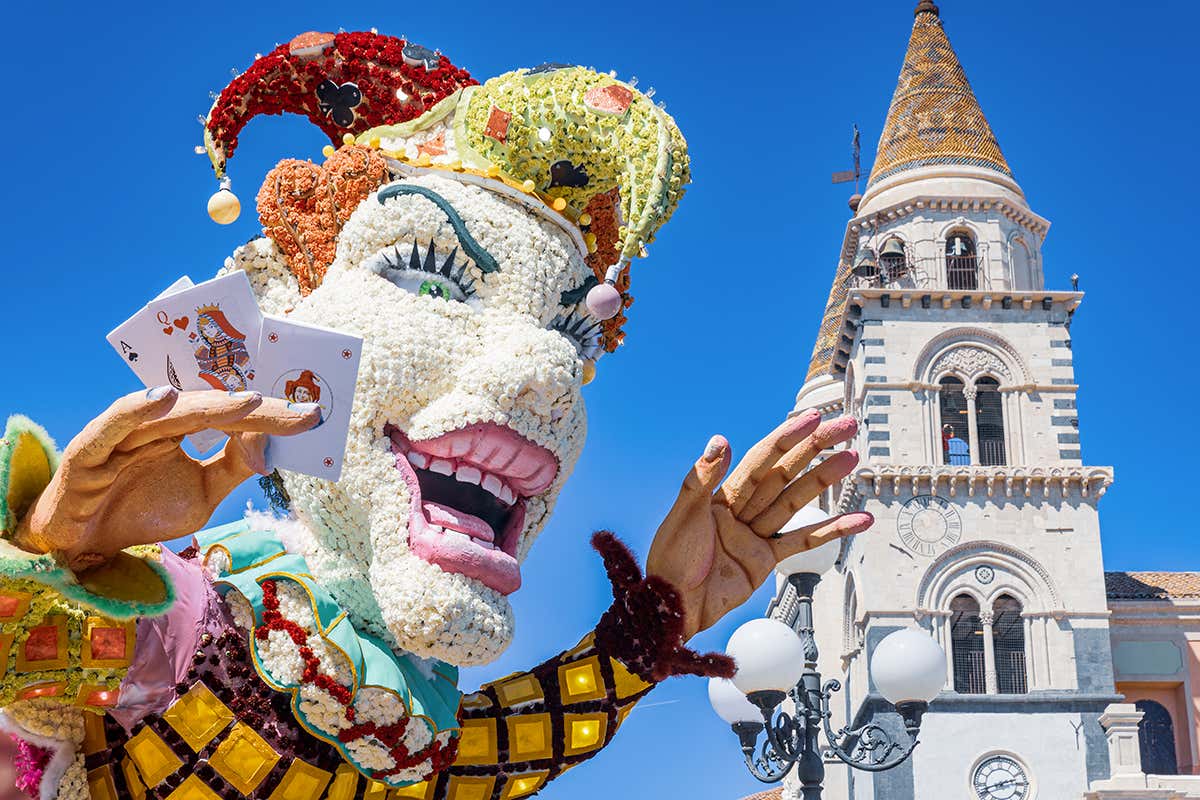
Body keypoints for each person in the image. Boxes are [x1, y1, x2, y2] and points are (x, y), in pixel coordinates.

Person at [0, 32, 872, 799]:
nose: (549, 372)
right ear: (280, 323)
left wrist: (661, 616)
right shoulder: (188, 630)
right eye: (427, 277)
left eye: (575, 333)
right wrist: (47, 559)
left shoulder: (410, 722)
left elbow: (501, 753)